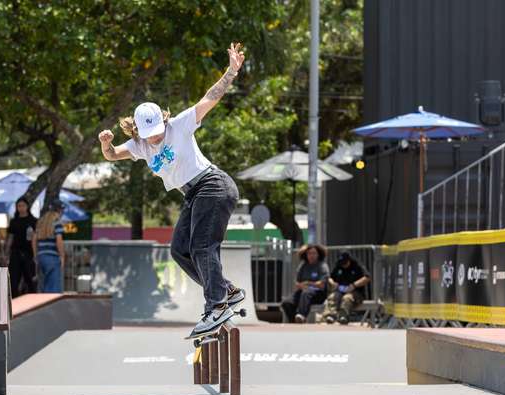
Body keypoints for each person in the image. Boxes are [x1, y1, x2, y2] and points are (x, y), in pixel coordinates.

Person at [98, 42, 247, 338]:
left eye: (159, 133)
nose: (156, 140)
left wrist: (231, 71)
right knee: (180, 251)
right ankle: (226, 291)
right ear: (138, 131)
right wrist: (105, 143)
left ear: (164, 122)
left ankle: (215, 305)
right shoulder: (139, 146)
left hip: (212, 185)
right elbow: (113, 155)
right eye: (150, 136)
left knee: (202, 246)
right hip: (193, 194)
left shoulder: (179, 125)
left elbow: (210, 98)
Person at [281, 244, 329, 323]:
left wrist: (308, 284)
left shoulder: (322, 266)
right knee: (286, 303)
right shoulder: (303, 266)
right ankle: (295, 322)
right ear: (305, 255)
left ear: (318, 254)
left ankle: (302, 315)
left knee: (306, 292)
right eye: (309, 253)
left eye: (314, 253)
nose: (311, 255)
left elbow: (321, 284)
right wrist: (300, 285)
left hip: (318, 294)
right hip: (303, 292)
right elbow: (297, 283)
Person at [323, 251, 371, 325]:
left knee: (347, 298)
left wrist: (354, 285)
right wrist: (333, 283)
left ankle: (343, 316)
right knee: (333, 297)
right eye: (342, 263)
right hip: (340, 290)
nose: (344, 265)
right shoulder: (338, 265)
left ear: (349, 260)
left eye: (345, 263)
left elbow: (367, 278)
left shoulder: (357, 266)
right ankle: (330, 316)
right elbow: (330, 278)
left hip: (355, 292)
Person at [6, 196, 37, 297]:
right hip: (15, 252)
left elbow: (35, 238)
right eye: (19, 206)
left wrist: (35, 254)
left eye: (23, 205)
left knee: (30, 279)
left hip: (29, 253)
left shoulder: (33, 220)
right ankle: (14, 300)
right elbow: (10, 237)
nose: (21, 208)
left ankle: (33, 300)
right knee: (14, 279)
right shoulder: (14, 221)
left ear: (27, 206)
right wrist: (6, 253)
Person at [32, 200, 65, 293]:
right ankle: (53, 308)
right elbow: (59, 241)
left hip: (41, 257)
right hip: (53, 257)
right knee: (53, 288)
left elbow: (34, 240)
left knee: (43, 286)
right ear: (60, 210)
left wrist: (35, 255)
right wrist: (62, 256)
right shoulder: (57, 222)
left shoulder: (41, 222)